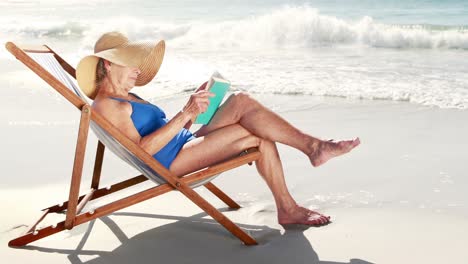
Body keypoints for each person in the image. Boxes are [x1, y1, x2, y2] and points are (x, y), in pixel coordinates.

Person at [76, 32, 360, 226]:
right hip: (172, 163)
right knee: (257, 135)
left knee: (242, 101)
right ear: (108, 64)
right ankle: (307, 165)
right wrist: (185, 112)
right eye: (131, 64)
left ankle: (312, 154)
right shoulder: (108, 106)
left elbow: (162, 132)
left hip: (183, 144)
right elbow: (143, 151)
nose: (138, 70)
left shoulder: (126, 98)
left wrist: (194, 112)